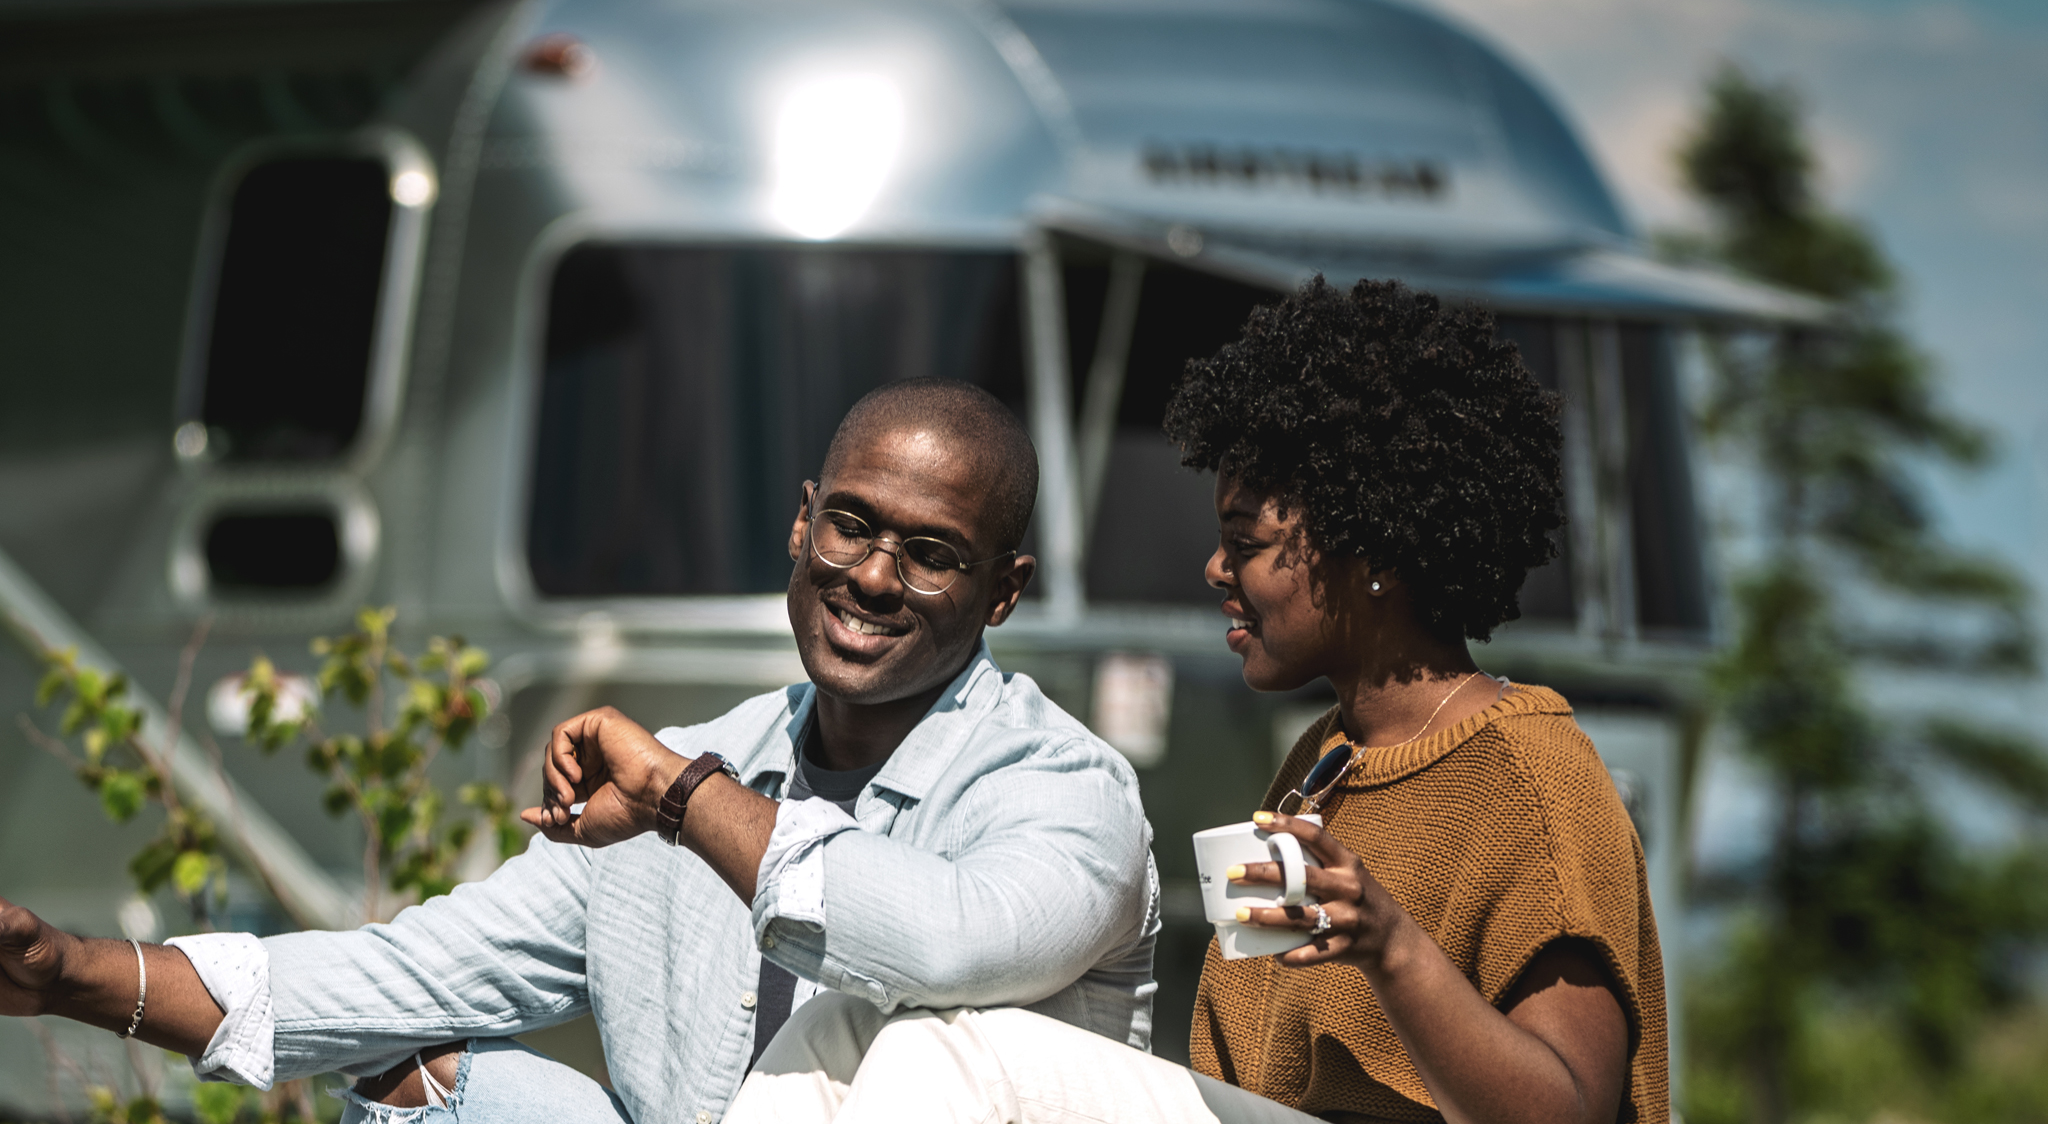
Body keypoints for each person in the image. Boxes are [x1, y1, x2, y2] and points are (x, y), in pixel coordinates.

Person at [0, 378, 1160, 1124]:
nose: (868, 578)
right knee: (428, 1083)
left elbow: (941, 943)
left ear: (1002, 594)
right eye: (851, 525)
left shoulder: (1064, 791)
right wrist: (74, 976)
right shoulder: (707, 768)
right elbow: (406, 972)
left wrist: (673, 792)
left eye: (930, 553)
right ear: (801, 522)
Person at [721, 278, 1666, 1124]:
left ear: (1370, 552)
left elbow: (1569, 1110)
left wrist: (1393, 948)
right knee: (844, 1026)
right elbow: (1248, 1077)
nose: (1215, 569)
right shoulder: (1321, 768)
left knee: (955, 1055)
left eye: (1246, 541)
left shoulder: (1531, 773)